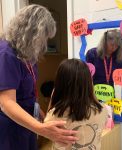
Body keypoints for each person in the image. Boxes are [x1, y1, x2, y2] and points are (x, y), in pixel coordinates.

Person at [0, 4, 77, 150]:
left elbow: (28, 90)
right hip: (10, 127)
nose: (44, 43)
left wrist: (41, 114)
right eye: (43, 38)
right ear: (30, 33)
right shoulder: (6, 54)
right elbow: (6, 102)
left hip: (27, 123)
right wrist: (42, 129)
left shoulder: (27, 53)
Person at [44, 58, 108, 150]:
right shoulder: (102, 110)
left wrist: (53, 98)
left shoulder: (57, 114)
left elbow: (46, 129)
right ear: (89, 83)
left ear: (60, 84)